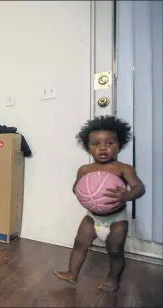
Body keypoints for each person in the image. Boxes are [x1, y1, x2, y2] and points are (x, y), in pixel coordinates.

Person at [54, 115, 146, 292]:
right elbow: (76, 188)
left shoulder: (123, 169)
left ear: (119, 145)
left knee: (115, 252)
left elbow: (138, 188)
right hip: (92, 217)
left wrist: (127, 195)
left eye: (109, 143)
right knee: (80, 244)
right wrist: (84, 193)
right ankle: (72, 274)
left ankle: (113, 279)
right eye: (96, 144)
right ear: (87, 147)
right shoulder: (85, 170)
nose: (103, 148)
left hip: (116, 220)